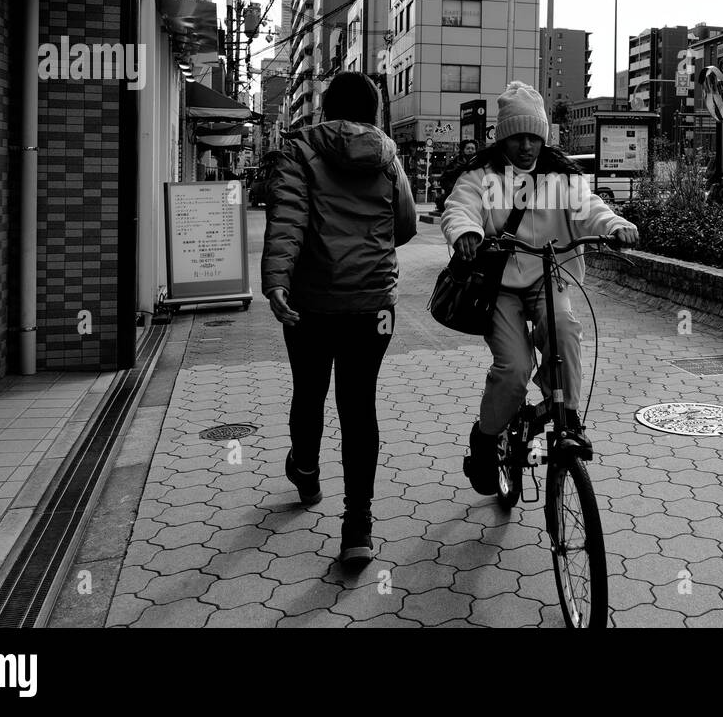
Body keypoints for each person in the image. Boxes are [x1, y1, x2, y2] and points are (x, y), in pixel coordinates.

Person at [441, 81, 639, 494]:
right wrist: (465, 230)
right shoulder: (483, 175)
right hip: (499, 287)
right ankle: (485, 439)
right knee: (513, 369)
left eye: (534, 136)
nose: (527, 146)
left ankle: (567, 417)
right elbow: (461, 206)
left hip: (549, 276)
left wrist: (615, 225)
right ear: (503, 137)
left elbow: (592, 209)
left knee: (565, 330)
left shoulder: (563, 177)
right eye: (517, 137)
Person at [261, 71, 416, 568]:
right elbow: (407, 225)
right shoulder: (388, 156)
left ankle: (305, 472)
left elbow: (288, 220)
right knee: (358, 405)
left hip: (308, 303)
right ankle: (358, 529)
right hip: (373, 306)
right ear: (373, 110)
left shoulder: (299, 151)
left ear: (326, 108)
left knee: (309, 389)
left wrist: (277, 283)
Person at [435, 138, 479, 213]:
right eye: (468, 148)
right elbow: (444, 179)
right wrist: (454, 189)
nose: (470, 150)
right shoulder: (455, 164)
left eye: (473, 148)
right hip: (456, 197)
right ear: (463, 150)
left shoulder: (479, 164)